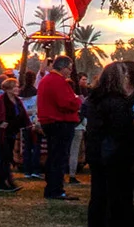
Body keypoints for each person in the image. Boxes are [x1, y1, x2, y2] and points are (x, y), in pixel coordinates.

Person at [86, 64, 134, 227]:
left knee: (98, 195)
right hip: (116, 155)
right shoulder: (117, 103)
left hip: (96, 153)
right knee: (119, 197)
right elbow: (121, 130)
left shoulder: (93, 99)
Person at [38, 55, 84, 202]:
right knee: (59, 157)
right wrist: (77, 101)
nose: (70, 71)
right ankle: (56, 189)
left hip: (51, 122)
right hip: (60, 123)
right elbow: (66, 103)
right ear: (63, 68)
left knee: (53, 156)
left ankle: (52, 188)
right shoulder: (57, 81)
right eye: (69, 68)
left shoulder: (47, 80)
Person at [0, 74, 25, 193]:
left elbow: (21, 116)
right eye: (15, 87)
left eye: (17, 86)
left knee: (7, 158)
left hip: (11, 133)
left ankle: (5, 183)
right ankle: (5, 183)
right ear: (8, 89)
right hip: (0, 134)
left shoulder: (17, 101)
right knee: (5, 157)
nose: (17, 89)